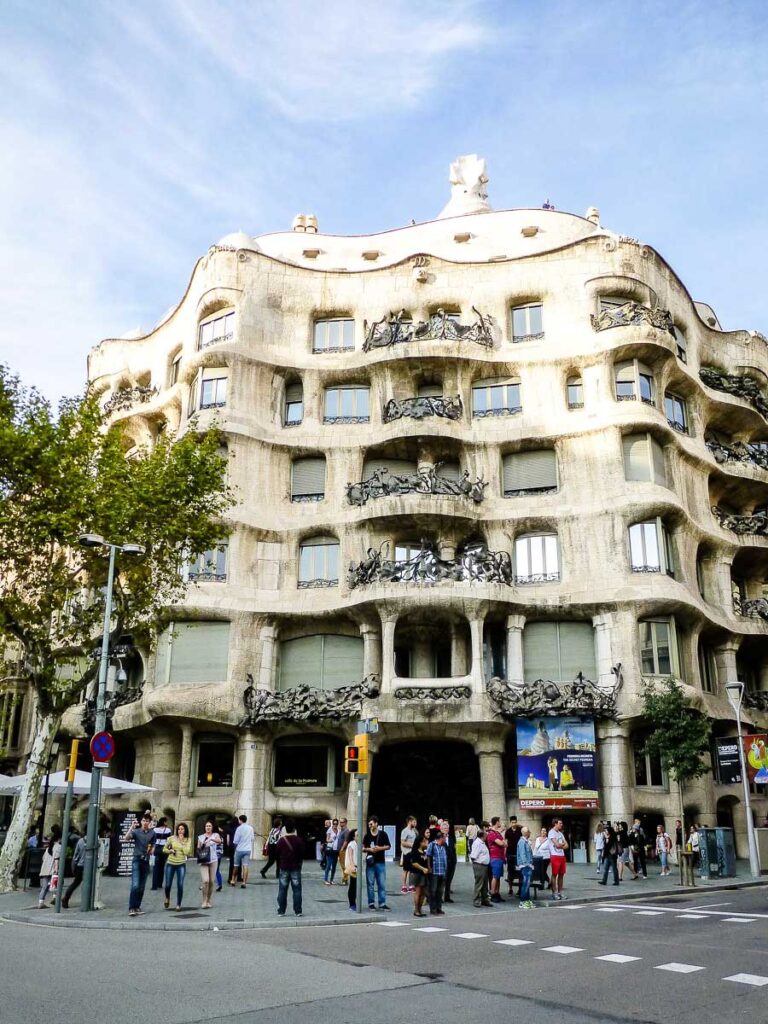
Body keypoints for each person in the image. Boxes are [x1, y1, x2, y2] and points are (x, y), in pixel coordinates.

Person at [127, 812, 157, 916]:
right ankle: (131, 907)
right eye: (143, 820)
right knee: (135, 884)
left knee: (142, 886)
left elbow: (153, 843)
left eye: (147, 821)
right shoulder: (136, 832)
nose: (145, 823)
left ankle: (137, 906)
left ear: (149, 822)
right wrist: (131, 826)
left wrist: (152, 849)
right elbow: (126, 838)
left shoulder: (152, 833)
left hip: (146, 860)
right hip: (137, 859)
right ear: (141, 822)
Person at [276, 818, 303, 917]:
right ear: (294, 829)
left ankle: (281, 910)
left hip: (284, 867)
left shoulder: (281, 841)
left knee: (282, 889)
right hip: (295, 867)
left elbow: (277, 854)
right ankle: (298, 910)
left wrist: (280, 864)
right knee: (297, 889)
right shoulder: (299, 840)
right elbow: (301, 854)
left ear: (285, 829)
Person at [363, 815, 391, 911]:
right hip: (370, 862)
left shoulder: (383, 834)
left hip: (380, 861)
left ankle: (382, 903)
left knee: (381, 883)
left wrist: (379, 848)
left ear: (376, 824)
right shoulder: (367, 835)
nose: (370, 826)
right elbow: (363, 848)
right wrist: (369, 849)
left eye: (371, 824)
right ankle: (371, 903)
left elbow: (388, 846)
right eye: (369, 824)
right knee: (370, 883)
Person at [163, 822, 192, 910]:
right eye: (179, 829)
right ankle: (167, 897)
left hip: (181, 864)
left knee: (180, 884)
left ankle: (178, 904)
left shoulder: (188, 840)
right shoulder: (171, 838)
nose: (180, 831)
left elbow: (187, 852)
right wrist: (170, 851)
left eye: (182, 829)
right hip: (170, 863)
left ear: (185, 830)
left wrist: (182, 843)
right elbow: (164, 849)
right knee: (168, 884)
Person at [196, 819, 222, 909]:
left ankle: (208, 900)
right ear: (204, 827)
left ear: (212, 827)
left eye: (210, 826)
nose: (208, 827)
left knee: (211, 882)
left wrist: (212, 840)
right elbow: (198, 849)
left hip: (213, 860)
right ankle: (204, 900)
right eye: (207, 826)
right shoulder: (200, 837)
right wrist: (203, 844)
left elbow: (219, 841)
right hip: (204, 860)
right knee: (205, 881)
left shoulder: (215, 835)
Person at [61, 829, 86, 909]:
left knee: (75, 883)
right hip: (88, 866)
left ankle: (66, 898)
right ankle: (86, 901)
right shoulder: (95, 840)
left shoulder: (80, 841)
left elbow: (76, 855)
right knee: (89, 883)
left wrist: (74, 865)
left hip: (80, 866)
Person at [469, 825, 492, 907]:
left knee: (485, 884)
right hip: (479, 865)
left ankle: (484, 899)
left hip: (484, 865)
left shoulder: (482, 843)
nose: (487, 836)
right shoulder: (477, 843)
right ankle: (476, 900)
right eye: (486, 835)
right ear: (483, 836)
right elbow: (473, 856)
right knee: (479, 884)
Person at [426, 830, 447, 916]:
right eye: (444, 838)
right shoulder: (432, 845)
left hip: (442, 871)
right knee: (433, 891)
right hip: (434, 871)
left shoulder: (443, 847)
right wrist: (429, 867)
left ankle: (439, 908)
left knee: (440, 891)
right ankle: (433, 908)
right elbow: (428, 856)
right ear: (440, 838)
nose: (445, 839)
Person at [409, 833, 430, 916]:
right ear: (420, 843)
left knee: (423, 892)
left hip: (424, 874)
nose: (426, 843)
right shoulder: (415, 851)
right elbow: (414, 863)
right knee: (418, 891)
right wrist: (423, 868)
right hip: (417, 873)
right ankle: (416, 909)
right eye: (424, 842)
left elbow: (426, 861)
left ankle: (420, 909)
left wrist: (428, 868)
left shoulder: (425, 851)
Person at [38, 833, 61, 909]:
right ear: (59, 839)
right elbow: (57, 859)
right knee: (55, 884)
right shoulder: (59, 847)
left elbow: (43, 858)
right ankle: (55, 898)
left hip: (45, 869)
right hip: (53, 869)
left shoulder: (48, 848)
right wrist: (56, 870)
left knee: (45, 887)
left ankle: (41, 902)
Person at [486, 816, 507, 902]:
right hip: (495, 857)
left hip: (500, 857)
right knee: (495, 876)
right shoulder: (491, 833)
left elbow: (505, 844)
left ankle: (497, 893)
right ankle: (493, 893)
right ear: (496, 822)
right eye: (499, 821)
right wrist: (503, 843)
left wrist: (503, 842)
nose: (500, 823)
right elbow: (501, 843)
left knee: (498, 876)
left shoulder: (497, 833)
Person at [231, 814, 255, 887]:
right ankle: (244, 882)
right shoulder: (251, 828)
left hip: (239, 849)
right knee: (245, 865)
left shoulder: (239, 829)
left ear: (240, 820)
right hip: (247, 849)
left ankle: (233, 880)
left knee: (236, 866)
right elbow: (252, 838)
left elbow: (235, 841)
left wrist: (235, 848)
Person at [150, 816, 172, 890]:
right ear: (164, 822)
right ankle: (160, 883)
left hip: (156, 848)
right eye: (166, 821)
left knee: (156, 867)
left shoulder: (155, 830)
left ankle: (154, 885)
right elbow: (169, 841)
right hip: (164, 849)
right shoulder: (168, 830)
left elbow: (153, 839)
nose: (167, 823)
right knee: (162, 867)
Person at [548, 818, 568, 900]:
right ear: (555, 824)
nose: (561, 825)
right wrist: (562, 844)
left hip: (562, 856)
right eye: (560, 823)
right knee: (554, 874)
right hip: (555, 855)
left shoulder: (560, 833)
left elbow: (567, 845)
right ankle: (554, 892)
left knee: (561, 875)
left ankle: (560, 892)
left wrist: (561, 844)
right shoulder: (551, 833)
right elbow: (557, 845)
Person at [400, 815, 418, 893]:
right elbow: (403, 842)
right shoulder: (405, 831)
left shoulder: (414, 831)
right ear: (410, 822)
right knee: (406, 869)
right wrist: (413, 845)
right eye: (414, 822)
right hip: (407, 852)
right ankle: (404, 885)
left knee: (412, 870)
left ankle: (411, 885)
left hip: (413, 852)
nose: (415, 823)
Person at [504, 815, 522, 896]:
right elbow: (506, 841)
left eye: (515, 822)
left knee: (519, 871)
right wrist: (505, 854)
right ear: (510, 823)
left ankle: (520, 889)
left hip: (518, 853)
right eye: (512, 822)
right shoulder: (508, 831)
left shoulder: (520, 830)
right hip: (510, 853)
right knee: (510, 871)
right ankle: (510, 888)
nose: (514, 824)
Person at [517, 827, 534, 908]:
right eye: (529, 831)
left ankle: (527, 900)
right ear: (525, 833)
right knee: (526, 883)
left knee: (527, 883)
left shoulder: (526, 842)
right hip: (525, 865)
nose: (530, 833)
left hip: (528, 865)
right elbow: (523, 854)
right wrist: (526, 864)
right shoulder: (522, 842)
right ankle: (523, 901)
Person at [532, 825, 550, 893]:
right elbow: (535, 848)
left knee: (543, 871)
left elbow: (550, 849)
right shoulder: (537, 839)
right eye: (542, 831)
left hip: (546, 858)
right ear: (540, 832)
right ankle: (549, 882)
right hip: (538, 858)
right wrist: (533, 856)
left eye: (545, 831)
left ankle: (542, 884)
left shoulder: (548, 840)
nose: (543, 832)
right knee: (540, 871)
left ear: (546, 832)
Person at [443, 818, 457, 902]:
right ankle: (440, 897)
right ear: (441, 829)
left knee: (449, 880)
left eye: (447, 828)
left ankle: (447, 897)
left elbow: (454, 848)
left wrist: (454, 860)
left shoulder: (451, 838)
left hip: (451, 861)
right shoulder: (438, 837)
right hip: (443, 862)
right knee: (442, 880)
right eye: (444, 828)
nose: (446, 830)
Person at [344, 828, 358, 911]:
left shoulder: (357, 844)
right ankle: (352, 904)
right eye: (357, 835)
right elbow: (350, 855)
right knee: (353, 885)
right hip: (353, 867)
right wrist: (353, 866)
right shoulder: (352, 844)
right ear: (353, 837)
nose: (359, 837)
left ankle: (353, 903)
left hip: (356, 866)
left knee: (354, 885)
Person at [324, 818, 340, 885]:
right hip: (330, 849)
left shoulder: (339, 831)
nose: (335, 825)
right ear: (332, 823)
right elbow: (327, 840)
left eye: (336, 824)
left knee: (334, 866)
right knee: (328, 865)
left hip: (336, 850)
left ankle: (331, 880)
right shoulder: (329, 830)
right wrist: (330, 840)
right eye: (334, 823)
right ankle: (326, 879)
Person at [336, 817, 350, 887]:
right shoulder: (341, 830)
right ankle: (344, 879)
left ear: (345, 823)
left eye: (342, 822)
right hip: (340, 850)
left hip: (343, 850)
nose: (340, 823)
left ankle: (345, 880)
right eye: (340, 822)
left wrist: (342, 848)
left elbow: (346, 841)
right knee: (342, 866)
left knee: (344, 865)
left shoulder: (346, 831)